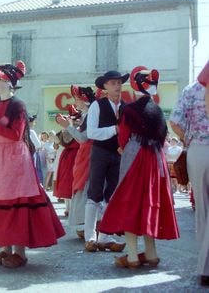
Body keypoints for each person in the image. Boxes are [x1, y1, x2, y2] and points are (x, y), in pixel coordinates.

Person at [0, 60, 64, 268]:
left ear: (9, 83)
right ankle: (4, 247)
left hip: (15, 157)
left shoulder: (18, 105)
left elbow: (16, 135)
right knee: (0, 202)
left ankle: (19, 251)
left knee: (16, 202)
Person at [98, 66, 180, 269]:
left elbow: (124, 138)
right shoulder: (158, 111)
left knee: (129, 203)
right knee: (149, 204)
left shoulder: (130, 110)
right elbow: (162, 138)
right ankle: (151, 253)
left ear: (134, 86)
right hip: (156, 160)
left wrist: (123, 148)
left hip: (136, 159)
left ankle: (133, 255)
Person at [170, 60, 209, 287]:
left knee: (202, 210)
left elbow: (174, 121)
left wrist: (189, 139)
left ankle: (204, 267)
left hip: (198, 151)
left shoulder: (191, 90)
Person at [83, 70, 128, 253]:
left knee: (112, 195)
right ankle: (90, 237)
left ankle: (105, 236)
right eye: (113, 83)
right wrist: (115, 130)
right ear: (105, 87)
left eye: (119, 83)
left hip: (118, 154)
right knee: (94, 193)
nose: (117, 86)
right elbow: (91, 133)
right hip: (100, 152)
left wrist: (123, 144)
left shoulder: (126, 107)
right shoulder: (97, 106)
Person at [57, 85, 96, 239]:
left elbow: (83, 138)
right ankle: (86, 225)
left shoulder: (90, 114)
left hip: (89, 156)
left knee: (86, 189)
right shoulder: (87, 114)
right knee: (83, 189)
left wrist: (68, 127)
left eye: (78, 99)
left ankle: (89, 225)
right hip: (85, 156)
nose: (76, 102)